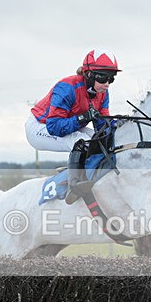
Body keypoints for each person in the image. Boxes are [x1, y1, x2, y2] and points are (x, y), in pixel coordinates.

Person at [26, 49, 120, 204]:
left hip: (67, 127)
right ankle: (74, 185)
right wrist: (82, 118)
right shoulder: (67, 87)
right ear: (88, 74)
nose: (107, 84)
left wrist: (117, 124)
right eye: (103, 78)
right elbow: (54, 127)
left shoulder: (102, 92)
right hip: (39, 127)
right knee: (82, 140)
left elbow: (102, 127)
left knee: (97, 138)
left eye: (111, 78)